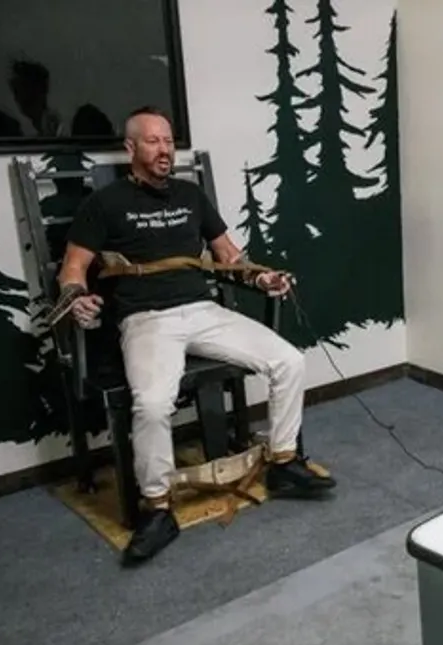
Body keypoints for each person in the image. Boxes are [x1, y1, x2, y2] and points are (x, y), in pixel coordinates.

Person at [59, 106, 336, 566]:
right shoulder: (104, 204)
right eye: (153, 141)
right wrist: (75, 297)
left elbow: (228, 254)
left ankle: (284, 463)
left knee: (289, 361)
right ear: (130, 147)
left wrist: (260, 277)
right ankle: (157, 508)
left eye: (169, 141)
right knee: (151, 404)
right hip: (146, 319)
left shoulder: (190, 195)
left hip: (203, 311)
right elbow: (73, 268)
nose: (164, 150)